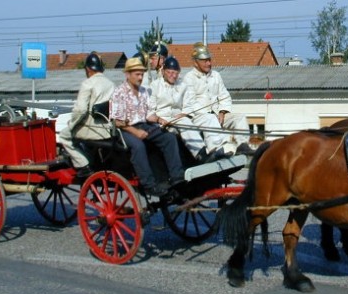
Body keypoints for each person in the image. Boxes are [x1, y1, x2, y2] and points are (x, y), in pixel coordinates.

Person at [110, 56, 185, 199]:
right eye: (137, 74)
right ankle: (149, 184)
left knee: (168, 137)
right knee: (138, 146)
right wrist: (136, 132)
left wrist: (160, 120)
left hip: (144, 124)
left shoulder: (144, 92)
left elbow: (149, 114)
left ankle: (176, 176)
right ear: (128, 74)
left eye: (142, 74)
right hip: (125, 129)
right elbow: (117, 121)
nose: (140, 77)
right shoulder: (119, 93)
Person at [148, 56, 227, 163]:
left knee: (209, 117)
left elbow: (189, 107)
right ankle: (201, 154)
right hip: (162, 123)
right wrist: (160, 120)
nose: (173, 75)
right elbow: (149, 112)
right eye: (170, 72)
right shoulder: (154, 86)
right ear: (163, 72)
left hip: (181, 118)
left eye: (176, 73)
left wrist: (183, 115)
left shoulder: (183, 86)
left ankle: (218, 149)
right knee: (184, 122)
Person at [182, 42, 254, 156]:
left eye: (209, 60)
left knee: (240, 118)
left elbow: (224, 95)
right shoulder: (189, 78)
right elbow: (190, 104)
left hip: (217, 115)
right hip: (199, 117)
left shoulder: (216, 75)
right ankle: (217, 150)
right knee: (210, 119)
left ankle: (242, 145)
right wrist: (210, 114)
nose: (209, 63)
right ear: (195, 62)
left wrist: (222, 111)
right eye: (205, 61)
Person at [58, 52, 115, 178]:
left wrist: (71, 124)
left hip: (92, 129)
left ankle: (84, 165)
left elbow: (81, 111)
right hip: (107, 129)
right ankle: (90, 160)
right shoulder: (111, 84)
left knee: (64, 136)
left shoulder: (87, 84)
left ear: (88, 69)